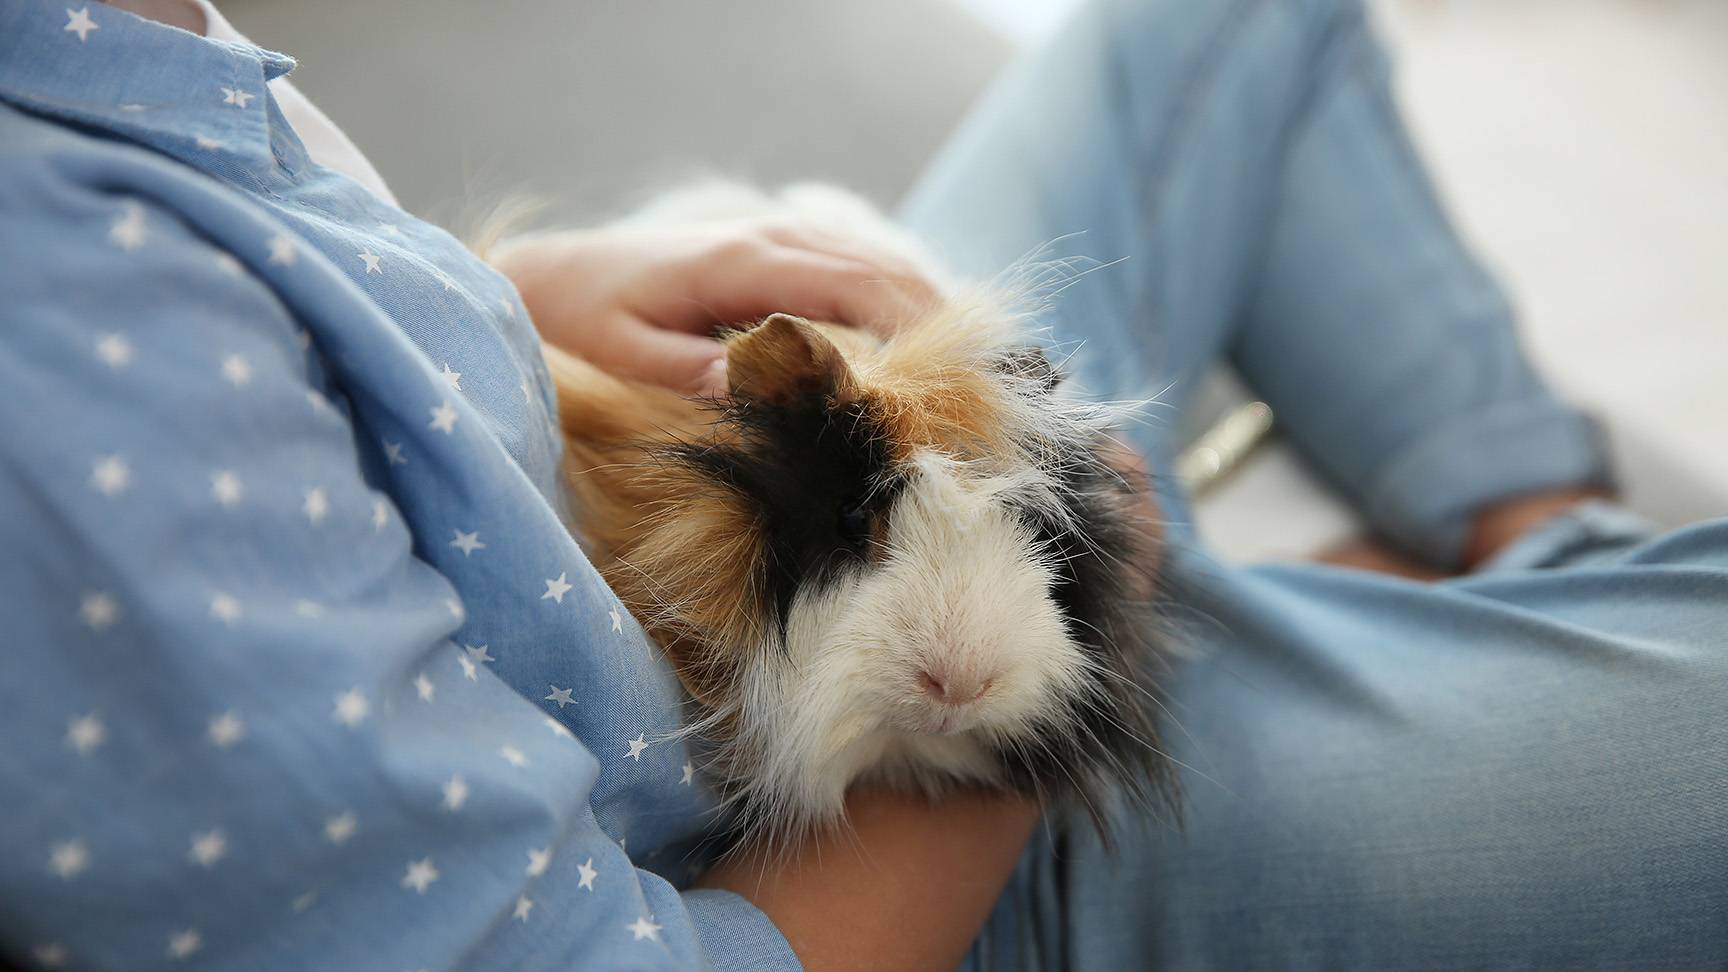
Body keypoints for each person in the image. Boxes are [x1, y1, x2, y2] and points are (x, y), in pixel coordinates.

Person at [1, 0, 1722, 968]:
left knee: (1228, 24)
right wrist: (1087, 635)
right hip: (855, 857)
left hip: (852, 643)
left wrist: (505, 303)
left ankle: (1536, 529)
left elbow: (286, 347)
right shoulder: (61, 339)